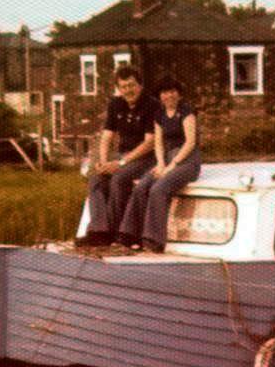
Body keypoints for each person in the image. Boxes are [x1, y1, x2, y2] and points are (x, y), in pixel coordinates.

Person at [77, 65, 158, 247]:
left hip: (146, 157)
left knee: (119, 178)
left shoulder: (152, 105)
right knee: (96, 178)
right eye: (123, 87)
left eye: (131, 85)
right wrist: (104, 162)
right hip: (123, 155)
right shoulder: (115, 104)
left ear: (140, 85)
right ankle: (99, 230)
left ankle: (117, 231)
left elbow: (149, 142)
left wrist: (120, 163)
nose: (128, 90)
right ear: (119, 88)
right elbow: (107, 136)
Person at [119, 77, 201, 252]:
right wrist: (161, 164)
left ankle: (154, 240)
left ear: (178, 93)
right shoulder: (160, 114)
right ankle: (131, 234)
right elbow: (158, 143)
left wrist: (172, 166)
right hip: (166, 159)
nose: (169, 96)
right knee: (141, 187)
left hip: (187, 161)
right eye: (164, 92)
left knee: (159, 188)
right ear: (160, 96)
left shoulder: (187, 111)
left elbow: (190, 142)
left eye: (172, 91)